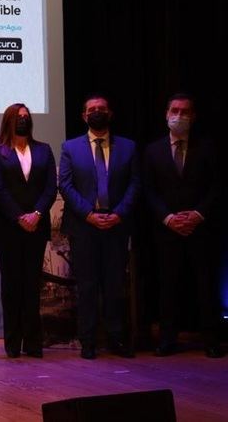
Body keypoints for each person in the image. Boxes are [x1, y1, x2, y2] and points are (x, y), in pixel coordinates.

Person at [143, 93, 224, 358]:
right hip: (167, 230)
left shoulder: (208, 147)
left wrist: (198, 214)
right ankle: (167, 339)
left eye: (185, 112)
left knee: (205, 285)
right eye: (175, 111)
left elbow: (217, 186)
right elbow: (149, 190)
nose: (179, 116)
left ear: (194, 117)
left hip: (201, 229)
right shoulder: (153, 150)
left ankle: (211, 339)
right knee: (168, 286)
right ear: (166, 115)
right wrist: (168, 218)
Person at [58, 94, 139, 360]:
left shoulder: (128, 147)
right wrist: (88, 214)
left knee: (115, 285)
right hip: (84, 226)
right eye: (92, 109)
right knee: (88, 286)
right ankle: (88, 341)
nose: (97, 112)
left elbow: (134, 184)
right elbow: (66, 185)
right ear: (83, 116)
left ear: (110, 113)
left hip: (116, 225)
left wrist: (118, 213)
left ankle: (116, 338)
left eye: (101, 109)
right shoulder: (70, 147)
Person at [0, 103, 57, 358]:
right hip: (8, 228)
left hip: (36, 227)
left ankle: (34, 343)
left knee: (31, 285)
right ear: (8, 121)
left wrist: (36, 214)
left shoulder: (43, 149)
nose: (23, 121)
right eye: (18, 117)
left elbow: (50, 187)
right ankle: (13, 344)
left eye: (26, 117)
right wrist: (19, 216)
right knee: (11, 285)